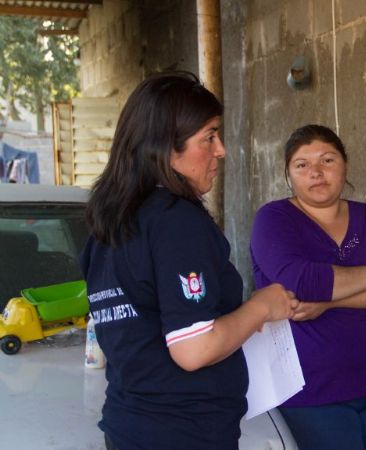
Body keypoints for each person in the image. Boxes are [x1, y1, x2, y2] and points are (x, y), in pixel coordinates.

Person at [81, 71, 298, 450]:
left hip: (127, 425)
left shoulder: (111, 223)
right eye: (209, 137)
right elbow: (193, 349)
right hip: (184, 432)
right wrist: (261, 308)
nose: (221, 150)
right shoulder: (175, 220)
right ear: (165, 148)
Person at [250, 124, 366, 450]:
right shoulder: (274, 219)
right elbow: (302, 282)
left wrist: (330, 302)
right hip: (311, 392)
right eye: (302, 165)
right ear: (288, 174)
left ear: (345, 166)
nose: (316, 172)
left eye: (328, 160)